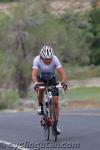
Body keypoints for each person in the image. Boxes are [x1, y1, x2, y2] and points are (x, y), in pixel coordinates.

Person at [32, 45, 67, 134]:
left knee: (55, 102)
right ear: (41, 57)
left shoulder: (55, 59)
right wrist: (36, 82)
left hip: (51, 79)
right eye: (46, 59)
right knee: (41, 89)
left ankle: (55, 125)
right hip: (41, 79)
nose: (48, 61)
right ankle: (40, 105)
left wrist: (63, 82)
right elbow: (34, 73)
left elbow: (62, 72)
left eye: (49, 59)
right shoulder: (37, 60)